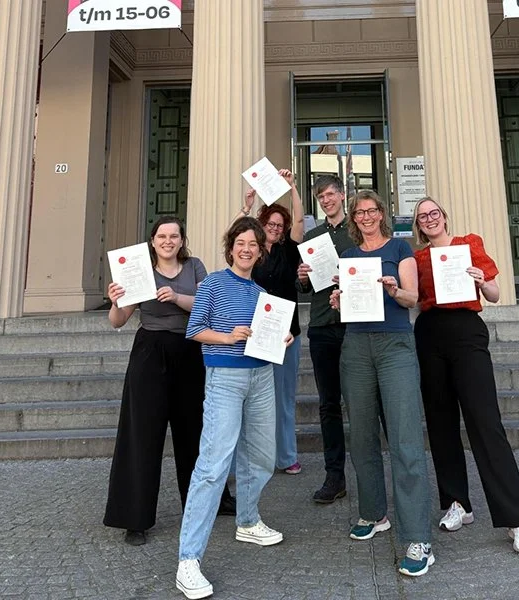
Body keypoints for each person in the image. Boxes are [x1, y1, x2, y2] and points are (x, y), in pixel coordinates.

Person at [176, 217, 293, 600]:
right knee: (213, 466)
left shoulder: (261, 292)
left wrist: (282, 338)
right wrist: (228, 337)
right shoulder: (212, 283)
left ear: (260, 252)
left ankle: (247, 520)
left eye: (253, 245)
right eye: (240, 243)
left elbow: (266, 336)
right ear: (231, 248)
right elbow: (195, 330)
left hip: (261, 376)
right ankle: (188, 559)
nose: (246, 249)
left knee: (261, 456)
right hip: (225, 377)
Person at [411, 197, 519, 555]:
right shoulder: (417, 258)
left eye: (434, 213)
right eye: (423, 217)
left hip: (467, 330)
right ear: (418, 226)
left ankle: (517, 519)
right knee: (441, 422)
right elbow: (415, 300)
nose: (430, 219)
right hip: (431, 333)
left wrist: (482, 281)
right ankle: (457, 503)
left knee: (486, 422)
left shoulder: (469, 244)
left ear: (444, 217)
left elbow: (494, 294)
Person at [103, 217, 235, 547]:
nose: (168, 241)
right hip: (150, 353)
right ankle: (134, 519)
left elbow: (207, 306)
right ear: (153, 241)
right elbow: (119, 321)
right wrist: (116, 301)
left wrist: (176, 297)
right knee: (142, 435)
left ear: (181, 240)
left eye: (174, 236)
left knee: (195, 431)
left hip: (190, 351)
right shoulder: (140, 270)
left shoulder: (194, 267)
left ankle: (209, 502)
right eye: (162, 236)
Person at [329, 190, 434, 577]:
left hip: (394, 345)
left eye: (372, 210)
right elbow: (347, 301)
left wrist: (393, 289)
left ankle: (417, 537)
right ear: (354, 218)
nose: (366, 217)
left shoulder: (400, 248)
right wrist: (339, 301)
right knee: (361, 435)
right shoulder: (348, 256)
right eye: (360, 212)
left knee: (405, 438)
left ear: (381, 214)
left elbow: (413, 298)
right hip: (356, 345)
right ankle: (374, 513)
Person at [240, 169, 304, 475]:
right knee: (250, 398)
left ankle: (286, 456)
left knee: (284, 398)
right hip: (253, 332)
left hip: (286, 333)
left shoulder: (288, 250)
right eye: (271, 224)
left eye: (280, 225)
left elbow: (300, 222)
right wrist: (246, 207)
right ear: (261, 224)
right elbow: (233, 237)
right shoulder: (249, 251)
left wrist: (292, 188)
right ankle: (252, 458)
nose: (276, 229)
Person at [296, 175, 356, 503]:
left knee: (362, 401)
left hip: (354, 325)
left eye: (331, 194)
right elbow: (304, 288)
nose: (327, 200)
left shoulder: (357, 232)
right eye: (321, 196)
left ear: (342, 195)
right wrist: (302, 277)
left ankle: (369, 472)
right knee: (328, 404)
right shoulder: (312, 237)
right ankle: (335, 476)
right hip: (321, 325)